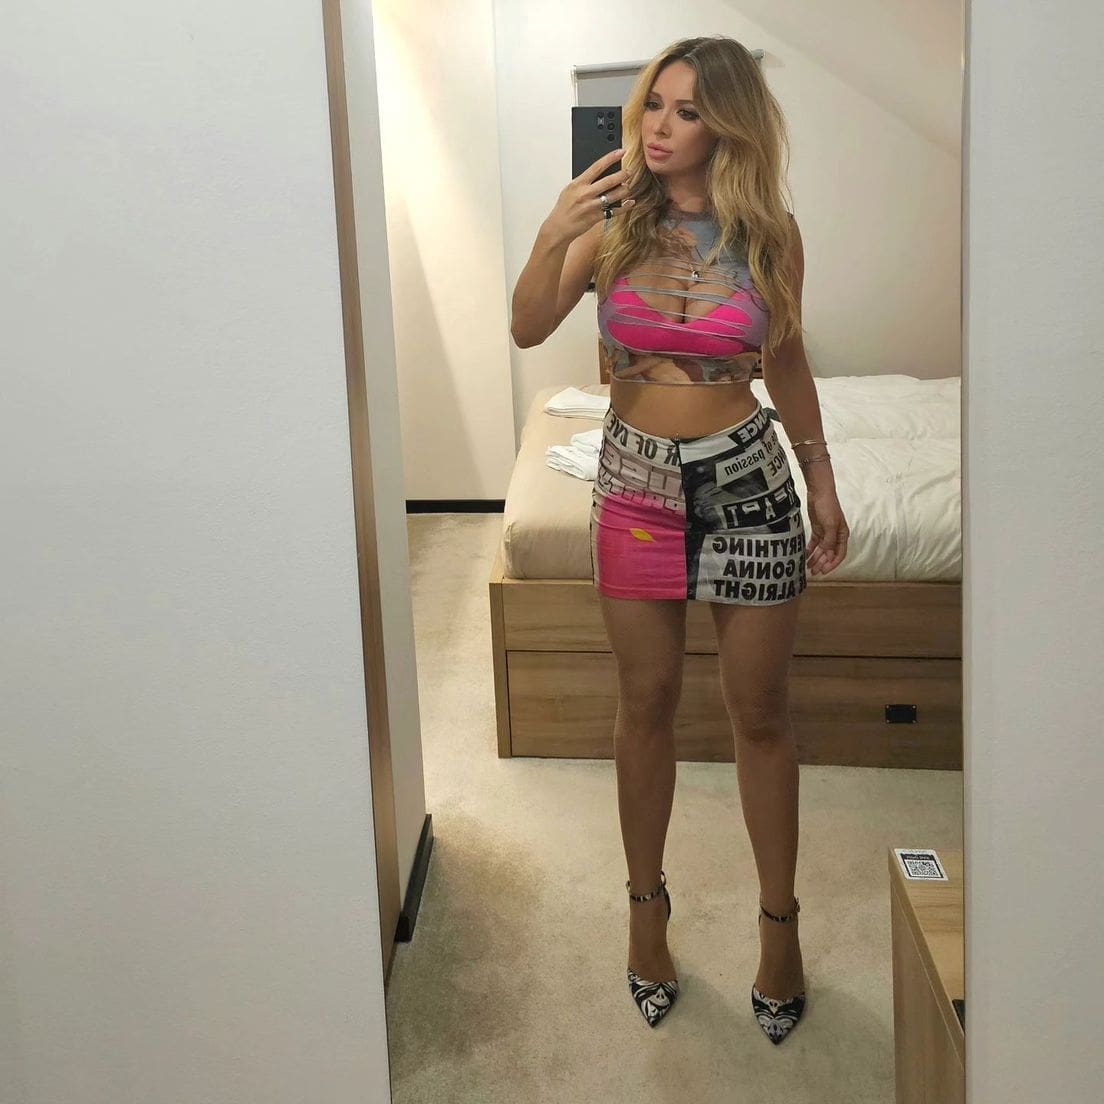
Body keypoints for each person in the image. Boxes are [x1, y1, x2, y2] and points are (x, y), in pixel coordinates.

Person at [510, 36, 849, 1040]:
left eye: (687, 110)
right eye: (654, 104)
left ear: (728, 123)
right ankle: (645, 915)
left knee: (762, 716)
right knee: (645, 705)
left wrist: (822, 480)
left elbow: (787, 361)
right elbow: (527, 325)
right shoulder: (612, 224)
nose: (659, 126)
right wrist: (551, 231)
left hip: (749, 483)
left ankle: (779, 928)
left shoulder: (771, 234)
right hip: (635, 490)